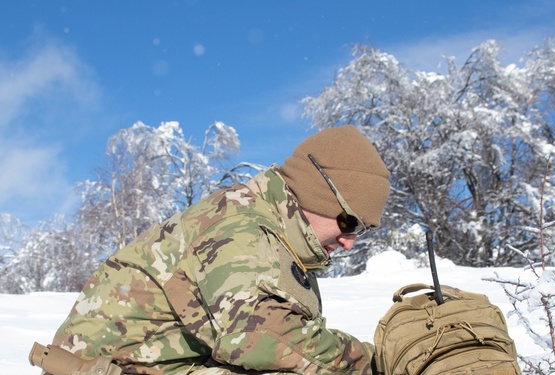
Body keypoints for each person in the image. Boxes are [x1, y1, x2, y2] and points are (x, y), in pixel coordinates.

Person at [48, 124, 391, 375]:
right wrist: (376, 362)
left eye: (362, 229)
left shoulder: (273, 231)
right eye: (348, 222)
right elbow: (261, 338)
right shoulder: (241, 229)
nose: (349, 241)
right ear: (314, 194)